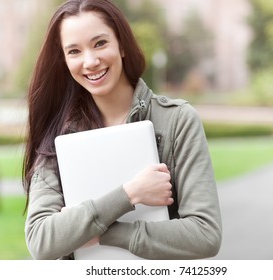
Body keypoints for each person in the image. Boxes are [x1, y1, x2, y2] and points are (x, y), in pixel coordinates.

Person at [23, 0, 222, 260]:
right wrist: (131, 193)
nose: (90, 61)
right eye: (74, 51)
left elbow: (205, 235)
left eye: (100, 43)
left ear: (122, 45)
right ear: (64, 61)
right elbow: (41, 241)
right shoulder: (59, 134)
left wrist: (103, 233)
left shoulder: (177, 120)